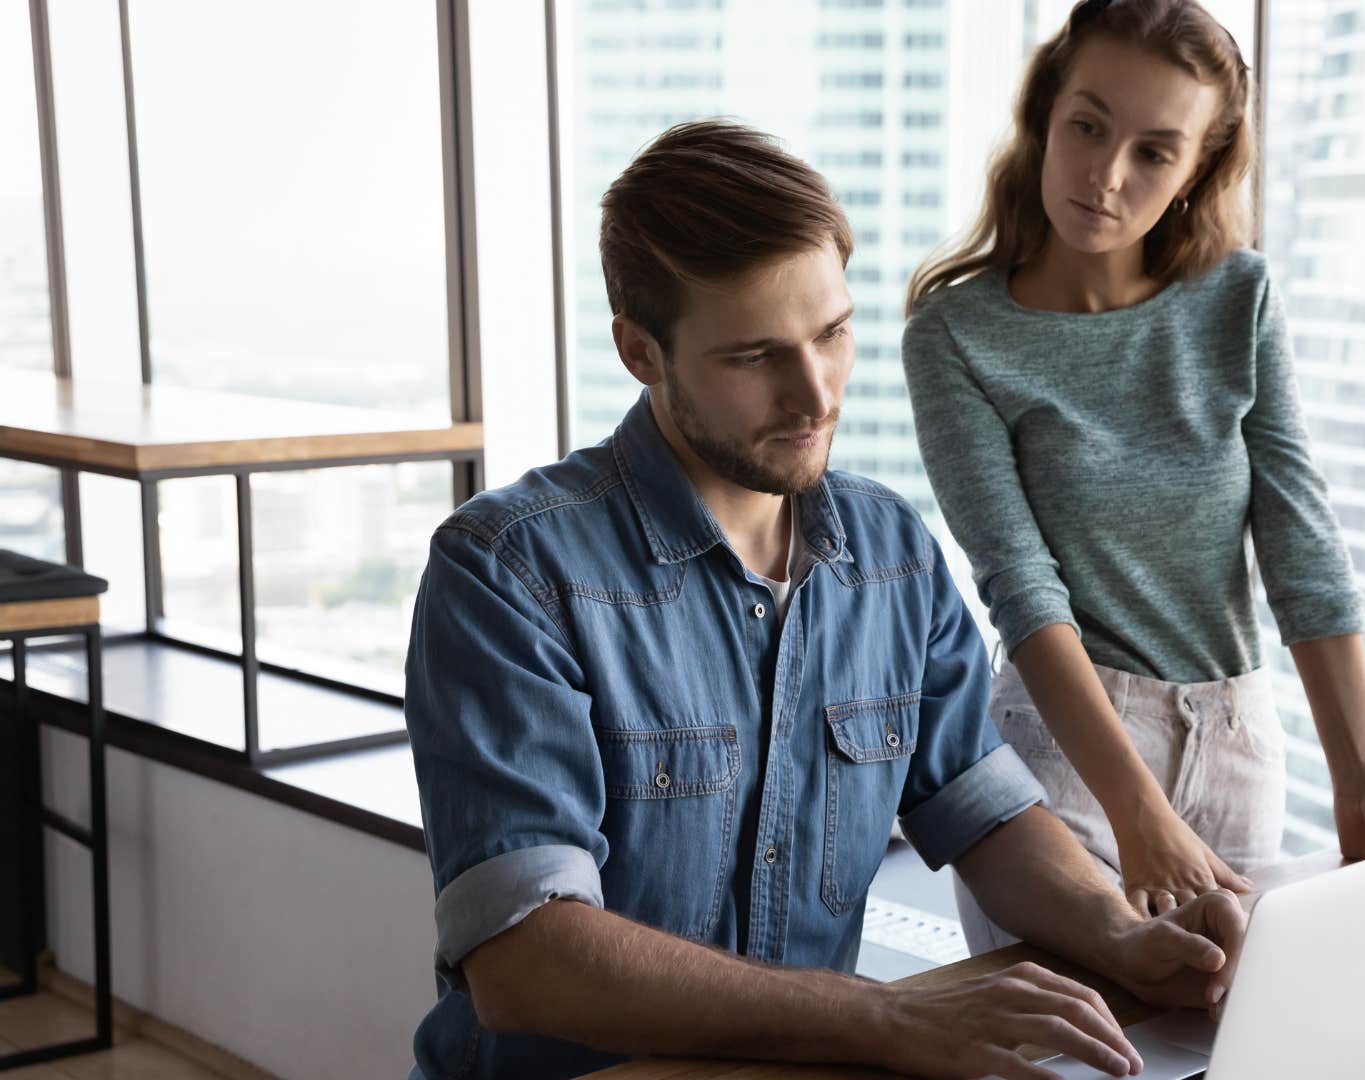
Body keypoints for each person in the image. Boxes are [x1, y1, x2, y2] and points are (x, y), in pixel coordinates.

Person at [403, 119, 1247, 1080]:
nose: (815, 396)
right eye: (755, 356)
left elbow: (985, 812)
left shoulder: (891, 554)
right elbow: (526, 959)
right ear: (642, 353)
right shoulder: (508, 574)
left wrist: (1120, 934)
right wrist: (885, 1017)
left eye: (834, 334)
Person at [902, 0, 1365, 953]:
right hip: (1064, 755)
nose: (1106, 177)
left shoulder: (1238, 298)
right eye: (1088, 127)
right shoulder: (957, 335)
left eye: (1153, 152)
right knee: (1072, 1048)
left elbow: (1301, 543)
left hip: (1239, 745)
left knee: (1231, 1040)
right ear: (1045, 116)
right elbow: (1020, 586)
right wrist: (1136, 813)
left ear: (1196, 171)